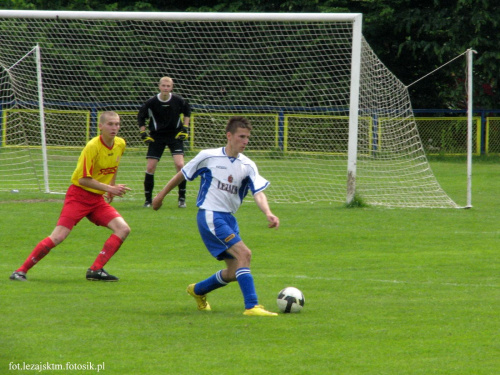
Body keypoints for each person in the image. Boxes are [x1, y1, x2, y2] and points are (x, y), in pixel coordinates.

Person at [153, 116, 280, 316]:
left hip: (228, 218)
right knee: (245, 254)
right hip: (210, 215)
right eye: (241, 137)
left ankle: (197, 290)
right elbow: (182, 174)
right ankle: (252, 306)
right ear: (229, 136)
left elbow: (258, 192)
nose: (245, 141)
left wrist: (268, 212)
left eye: (248, 137)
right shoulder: (208, 156)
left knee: (234, 271)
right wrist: (160, 196)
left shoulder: (248, 165)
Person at [9, 111, 131, 282]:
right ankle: (20, 271)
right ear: (100, 126)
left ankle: (96, 270)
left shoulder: (120, 144)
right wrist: (109, 187)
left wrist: (110, 187)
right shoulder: (92, 147)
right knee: (58, 236)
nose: (115, 128)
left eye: (117, 124)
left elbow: (114, 165)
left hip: (96, 200)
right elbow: (83, 179)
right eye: (110, 124)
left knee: (123, 229)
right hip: (79, 196)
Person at [138, 76, 191, 208]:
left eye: (168, 86)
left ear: (171, 87)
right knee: (150, 167)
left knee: (180, 165)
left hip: (175, 135)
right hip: (157, 136)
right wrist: (143, 133)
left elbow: (187, 112)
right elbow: (141, 116)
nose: (166, 88)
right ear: (159, 86)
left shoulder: (178, 100)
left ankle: (182, 198)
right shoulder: (151, 102)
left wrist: (185, 128)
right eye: (163, 86)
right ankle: (148, 200)